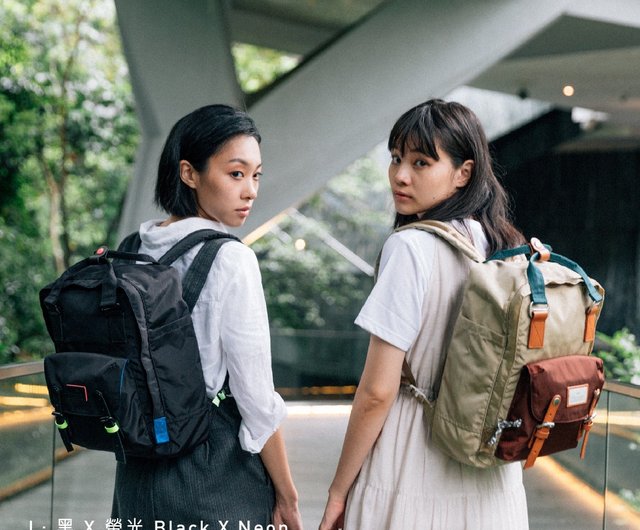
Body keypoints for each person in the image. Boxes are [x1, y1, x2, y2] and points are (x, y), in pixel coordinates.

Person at [319, 99, 529, 530]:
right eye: (396, 158)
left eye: (421, 162)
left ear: (463, 173)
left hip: (413, 459)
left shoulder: (410, 247)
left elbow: (378, 391)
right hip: (489, 472)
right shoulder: (500, 246)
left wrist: (339, 490)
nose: (399, 175)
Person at [112, 104, 303, 530]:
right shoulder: (230, 258)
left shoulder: (132, 248)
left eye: (256, 175)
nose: (250, 190)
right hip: (210, 471)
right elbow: (255, 398)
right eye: (236, 173)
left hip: (137, 469)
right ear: (188, 173)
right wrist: (288, 496)